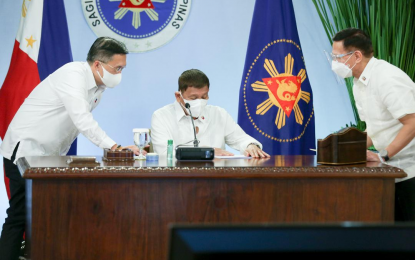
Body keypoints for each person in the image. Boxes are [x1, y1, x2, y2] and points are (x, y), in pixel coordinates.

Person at [0, 37, 140, 260]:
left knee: (46, 215)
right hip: (25, 151)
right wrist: (115, 147)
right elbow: (82, 120)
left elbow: (70, 128)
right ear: (97, 64)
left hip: (47, 158)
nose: (120, 74)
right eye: (118, 68)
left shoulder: (97, 88)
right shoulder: (73, 75)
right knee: (19, 215)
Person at [331, 28, 415, 221]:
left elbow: (412, 122)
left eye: (338, 57)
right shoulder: (359, 82)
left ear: (357, 56)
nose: (335, 63)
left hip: (409, 173)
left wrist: (383, 154)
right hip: (389, 173)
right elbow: (375, 127)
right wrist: (348, 148)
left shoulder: (387, 78)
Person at [151, 69, 270, 158]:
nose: (200, 102)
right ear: (178, 96)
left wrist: (250, 145)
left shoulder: (218, 114)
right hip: (178, 182)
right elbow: (165, 154)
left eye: (204, 96)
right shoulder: (161, 116)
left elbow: (240, 138)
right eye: (193, 98)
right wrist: (208, 152)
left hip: (216, 181)